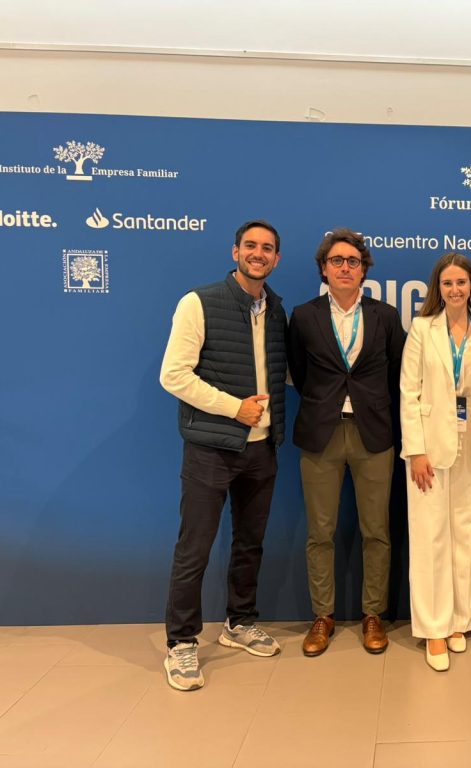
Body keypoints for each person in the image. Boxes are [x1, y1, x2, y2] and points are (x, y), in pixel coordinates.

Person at [160, 220, 287, 691]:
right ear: (235, 251)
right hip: (211, 449)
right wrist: (235, 408)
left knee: (250, 543)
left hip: (262, 449)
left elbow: (278, 371)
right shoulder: (198, 302)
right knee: (194, 548)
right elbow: (174, 375)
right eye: (250, 245)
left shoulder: (276, 309)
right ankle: (181, 643)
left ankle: (240, 622)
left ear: (277, 259)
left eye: (267, 248)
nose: (258, 253)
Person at [288, 228, 404, 657]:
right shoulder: (304, 316)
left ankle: (373, 614)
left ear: (363, 270)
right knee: (321, 532)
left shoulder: (385, 316)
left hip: (373, 434)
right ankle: (323, 616)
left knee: (377, 531)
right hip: (322, 433)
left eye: (353, 261)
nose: (345, 268)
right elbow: (299, 373)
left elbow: (397, 374)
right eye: (336, 260)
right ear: (324, 269)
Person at [400, 253, 471, 671]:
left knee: (467, 531)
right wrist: (416, 450)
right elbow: (409, 391)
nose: (455, 289)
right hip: (430, 443)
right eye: (448, 283)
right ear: (438, 289)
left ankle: (460, 620)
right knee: (431, 535)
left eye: (462, 282)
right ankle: (433, 628)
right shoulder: (422, 328)